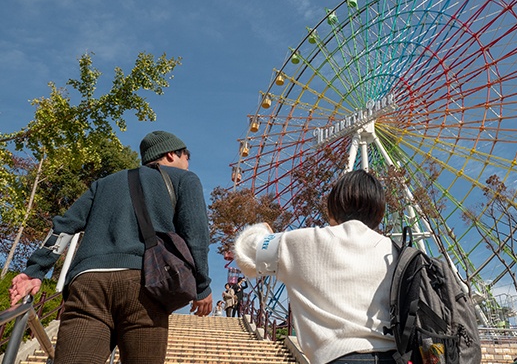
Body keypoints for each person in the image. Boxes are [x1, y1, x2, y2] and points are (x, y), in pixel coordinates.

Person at [9, 131, 212, 364]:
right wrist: (201, 285)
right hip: (146, 284)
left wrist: (35, 271)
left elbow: (64, 227)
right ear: (170, 154)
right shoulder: (184, 179)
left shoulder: (104, 184)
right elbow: (196, 235)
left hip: (88, 284)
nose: (187, 163)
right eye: (187, 157)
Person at [233, 169, 397, 364]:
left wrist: (265, 232)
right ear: (379, 211)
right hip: (393, 356)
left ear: (333, 206)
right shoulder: (394, 251)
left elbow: (245, 251)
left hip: (337, 357)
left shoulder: (302, 242)